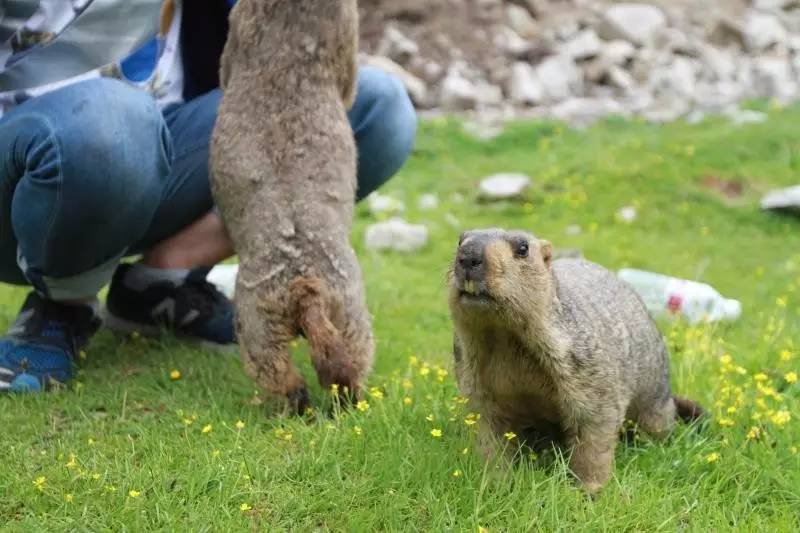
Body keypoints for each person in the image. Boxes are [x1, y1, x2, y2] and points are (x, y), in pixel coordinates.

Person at [0, 0, 417, 392]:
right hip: (28, 170)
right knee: (112, 123)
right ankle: (64, 299)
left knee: (377, 107)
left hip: (172, 143)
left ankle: (162, 279)